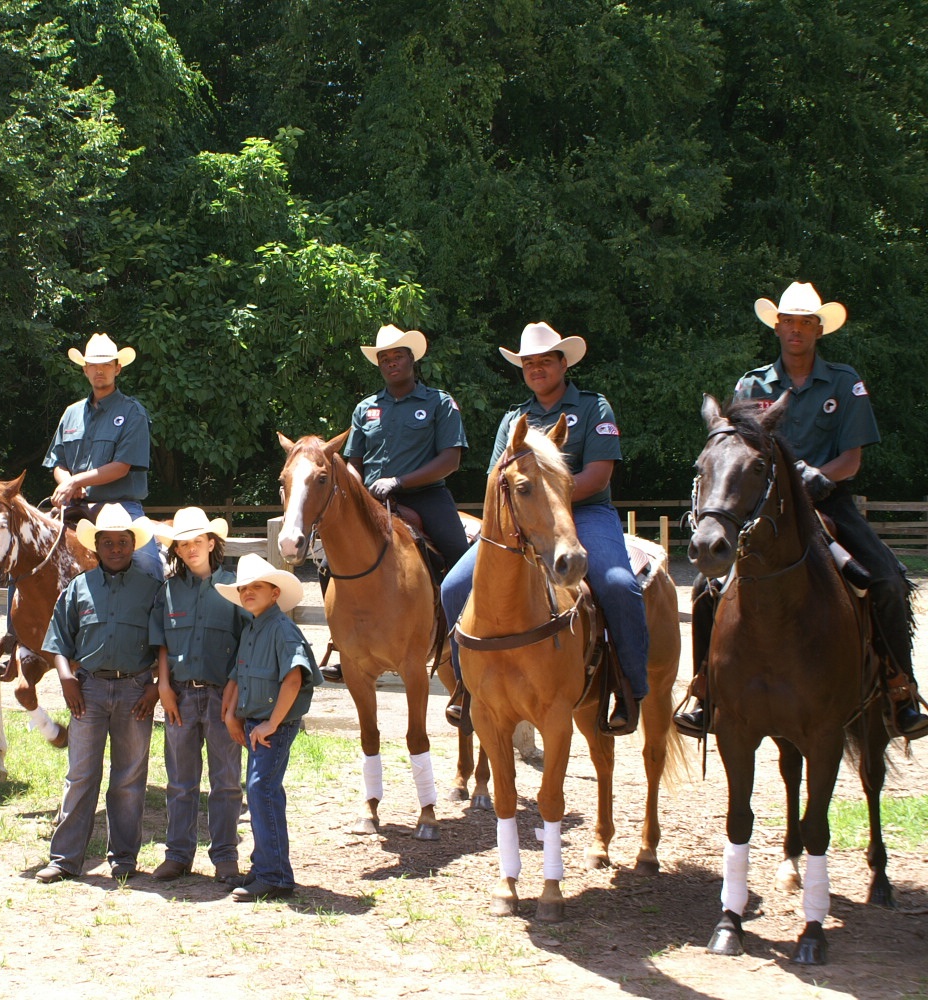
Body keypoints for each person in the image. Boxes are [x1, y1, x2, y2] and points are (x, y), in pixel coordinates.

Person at [676, 282, 928, 739]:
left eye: (805, 322)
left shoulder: (843, 381)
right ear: (776, 326)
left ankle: (899, 687)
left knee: (888, 579)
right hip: (763, 507)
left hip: (828, 499)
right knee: (703, 587)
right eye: (788, 321)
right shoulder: (752, 384)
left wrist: (814, 477)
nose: (796, 329)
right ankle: (704, 689)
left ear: (818, 329)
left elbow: (852, 459)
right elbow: (734, 451)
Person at [439, 323, 648, 732]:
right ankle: (467, 687)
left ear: (562, 363)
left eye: (545, 361)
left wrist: (549, 502)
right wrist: (527, 510)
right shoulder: (513, 419)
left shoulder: (593, 407)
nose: (536, 369)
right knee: (453, 588)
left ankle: (628, 687)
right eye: (529, 363)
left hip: (584, 512)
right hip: (520, 520)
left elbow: (599, 475)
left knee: (619, 584)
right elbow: (496, 481)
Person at [36, 503, 163, 884]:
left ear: (132, 544)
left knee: (128, 777)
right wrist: (66, 679)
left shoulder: (152, 590)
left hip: (135, 691)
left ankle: (123, 858)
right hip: (87, 691)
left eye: (122, 542)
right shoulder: (78, 588)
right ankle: (64, 858)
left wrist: (155, 688)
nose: (115, 548)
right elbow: (58, 641)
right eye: (107, 542)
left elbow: (166, 646)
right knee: (80, 775)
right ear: (95, 546)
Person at [148, 508, 248, 886]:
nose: (191, 549)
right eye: (183, 543)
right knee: (180, 780)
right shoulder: (169, 590)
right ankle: (178, 855)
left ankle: (225, 857)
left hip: (223, 698)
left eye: (197, 542)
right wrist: (163, 687)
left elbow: (246, 642)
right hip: (181, 697)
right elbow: (160, 641)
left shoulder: (233, 588)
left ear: (211, 543)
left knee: (225, 781)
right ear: (177, 549)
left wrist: (235, 693)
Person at [218, 553, 320, 901]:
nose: (248, 592)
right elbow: (237, 674)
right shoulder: (252, 628)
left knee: (262, 791)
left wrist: (272, 724)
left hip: (272, 726)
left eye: (256, 587)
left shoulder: (280, 628)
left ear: (274, 593)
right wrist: (231, 714)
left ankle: (275, 875)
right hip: (256, 724)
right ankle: (264, 867)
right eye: (243, 588)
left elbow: (293, 678)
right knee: (259, 791)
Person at [344, 324, 470, 570]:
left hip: (426, 497)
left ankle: (463, 609)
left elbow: (450, 460)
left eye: (398, 356)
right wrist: (353, 492)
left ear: (411, 359)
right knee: (329, 565)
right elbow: (354, 462)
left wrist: (398, 481)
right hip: (372, 499)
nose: (391, 363)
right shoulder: (364, 408)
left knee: (459, 555)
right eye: (384, 358)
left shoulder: (439, 402)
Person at [44, 333, 162, 579]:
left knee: (148, 564)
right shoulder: (71, 413)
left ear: (117, 368)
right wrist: (67, 482)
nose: (100, 370)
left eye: (106, 364)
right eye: (94, 365)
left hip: (121, 507)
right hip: (74, 507)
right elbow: (58, 462)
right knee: (25, 555)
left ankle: (155, 611)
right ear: (85, 370)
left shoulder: (133, 412)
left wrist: (77, 481)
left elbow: (121, 467)